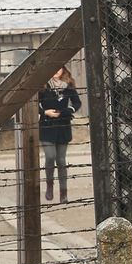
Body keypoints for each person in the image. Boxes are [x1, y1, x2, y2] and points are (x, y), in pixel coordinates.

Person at [38, 67, 80, 203]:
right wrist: (45, 112)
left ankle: (64, 193)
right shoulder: (42, 85)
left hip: (63, 126)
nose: (56, 71)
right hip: (46, 126)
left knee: (61, 161)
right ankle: (50, 185)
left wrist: (68, 111)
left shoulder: (68, 86)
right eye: (54, 68)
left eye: (59, 69)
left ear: (64, 70)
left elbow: (77, 103)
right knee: (50, 156)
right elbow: (35, 103)